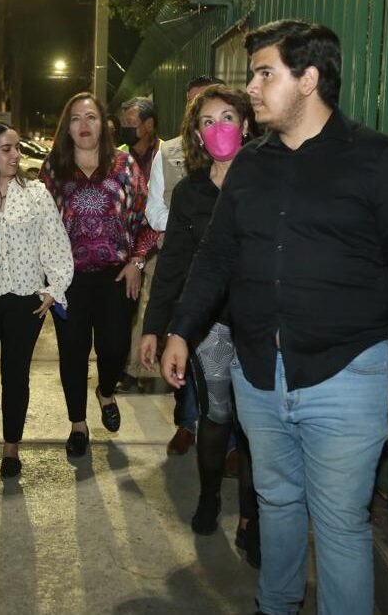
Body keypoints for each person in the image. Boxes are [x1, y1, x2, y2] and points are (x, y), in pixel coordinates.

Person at [160, 21, 388, 615]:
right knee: (277, 502)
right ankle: (276, 603)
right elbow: (215, 257)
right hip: (259, 374)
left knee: (339, 521)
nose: (252, 88)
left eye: (265, 73)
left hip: (346, 373)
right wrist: (181, 329)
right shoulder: (250, 166)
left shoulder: (375, 159)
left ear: (309, 79)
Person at [140, 83, 260, 567]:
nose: (218, 129)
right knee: (215, 415)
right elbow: (173, 265)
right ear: (195, 134)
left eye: (228, 118)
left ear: (246, 125)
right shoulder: (189, 193)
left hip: (261, 326)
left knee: (256, 427)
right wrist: (156, 328)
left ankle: (251, 517)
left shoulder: (268, 183)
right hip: (210, 325)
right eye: (207, 122)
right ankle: (209, 496)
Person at [38, 92, 156, 457]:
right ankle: (77, 424)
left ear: (103, 124)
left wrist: (137, 262)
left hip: (115, 278)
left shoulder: (124, 166)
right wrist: (47, 279)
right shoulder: (53, 169)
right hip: (68, 280)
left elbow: (147, 221)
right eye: (75, 118)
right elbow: (39, 226)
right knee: (72, 353)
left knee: (114, 349)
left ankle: (105, 392)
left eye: (90, 117)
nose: (83, 125)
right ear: (66, 127)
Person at [0, 121, 73, 479]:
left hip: (25, 299)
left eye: (17, 148)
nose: (16, 155)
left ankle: (11, 447)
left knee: (16, 374)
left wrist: (54, 287)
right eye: (6, 149)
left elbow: (56, 242)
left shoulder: (36, 193)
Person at [143, 74, 224, 456]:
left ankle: (230, 447)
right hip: (188, 275)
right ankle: (187, 423)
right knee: (186, 355)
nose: (211, 122)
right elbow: (155, 210)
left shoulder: (256, 174)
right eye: (200, 113)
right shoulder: (172, 157)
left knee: (224, 380)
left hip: (236, 302)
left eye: (222, 114)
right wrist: (184, 223)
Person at [115, 97, 161, 392]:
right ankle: (121, 363)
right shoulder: (118, 156)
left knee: (147, 303)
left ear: (149, 125)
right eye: (124, 124)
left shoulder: (168, 154)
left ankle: (135, 370)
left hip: (157, 240)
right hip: (125, 244)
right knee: (125, 307)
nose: (126, 128)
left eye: (131, 123)